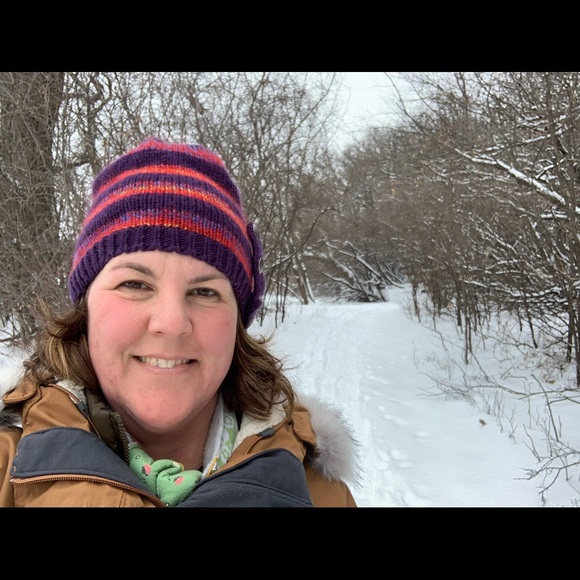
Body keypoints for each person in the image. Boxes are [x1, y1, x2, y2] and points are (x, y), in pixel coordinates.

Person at [0, 137, 359, 507]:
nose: (171, 323)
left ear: (237, 323)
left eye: (204, 291)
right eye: (134, 284)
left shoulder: (321, 495)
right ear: (85, 308)